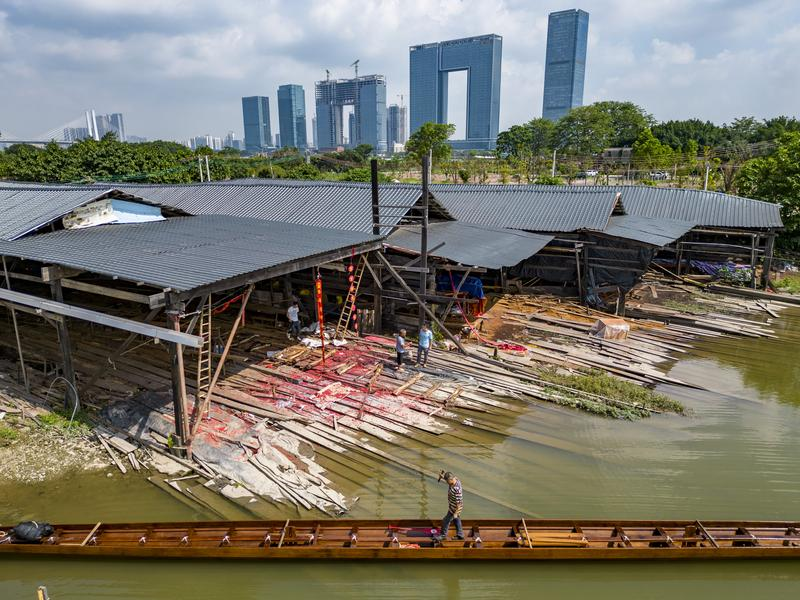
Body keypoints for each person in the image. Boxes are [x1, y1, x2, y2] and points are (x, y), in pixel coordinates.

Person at [440, 471, 464, 540]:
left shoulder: (457, 490)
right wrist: (443, 477)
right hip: (452, 505)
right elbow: (449, 477)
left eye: (447, 482)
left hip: (455, 507)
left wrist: (456, 513)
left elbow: (459, 503)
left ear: (451, 480)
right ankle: (460, 534)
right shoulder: (455, 479)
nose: (447, 483)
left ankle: (443, 535)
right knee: (456, 519)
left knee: (446, 520)